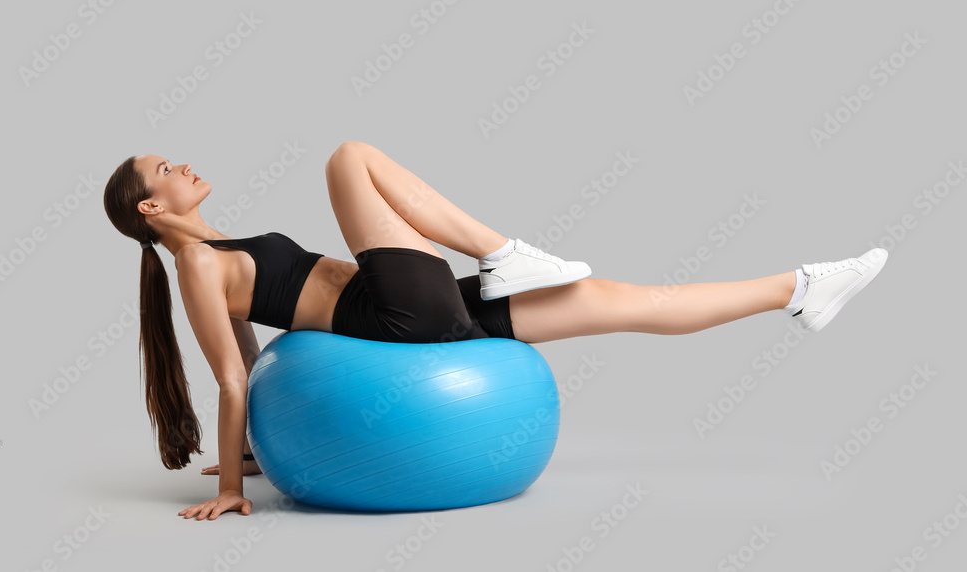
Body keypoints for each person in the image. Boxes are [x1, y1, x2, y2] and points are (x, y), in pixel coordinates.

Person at [102, 140, 888, 521]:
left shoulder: (211, 256)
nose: (183, 165)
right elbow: (234, 373)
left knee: (627, 299)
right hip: (398, 317)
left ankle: (800, 288)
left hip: (419, 311)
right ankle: (505, 252)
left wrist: (246, 451)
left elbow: (241, 340)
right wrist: (238, 485)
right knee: (350, 158)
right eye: (166, 168)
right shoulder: (196, 267)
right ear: (152, 209)